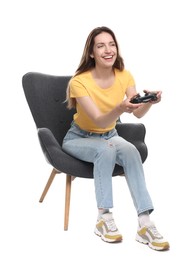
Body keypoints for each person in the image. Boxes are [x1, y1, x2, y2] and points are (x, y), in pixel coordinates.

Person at [62, 26, 170, 251]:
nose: (108, 50)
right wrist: (120, 108)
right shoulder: (79, 81)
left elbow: (137, 111)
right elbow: (100, 120)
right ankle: (103, 218)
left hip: (110, 135)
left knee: (130, 150)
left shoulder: (124, 75)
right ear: (91, 53)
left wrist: (148, 101)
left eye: (111, 44)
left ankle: (144, 223)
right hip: (79, 137)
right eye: (100, 46)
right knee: (106, 150)